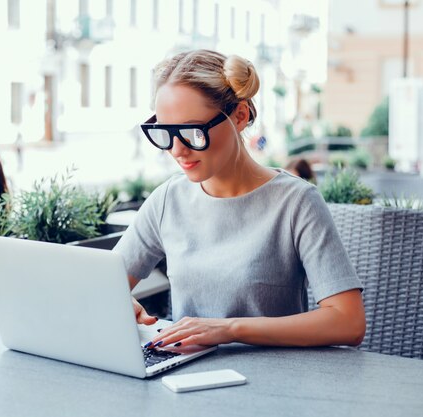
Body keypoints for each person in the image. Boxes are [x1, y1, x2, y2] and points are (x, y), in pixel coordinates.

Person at [114, 50, 365, 350]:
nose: (177, 151)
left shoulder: (296, 202)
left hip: (272, 382)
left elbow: (348, 321)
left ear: (240, 116)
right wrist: (118, 301)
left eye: (192, 133)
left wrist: (229, 329)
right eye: (165, 133)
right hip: (182, 380)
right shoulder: (169, 199)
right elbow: (102, 283)